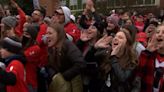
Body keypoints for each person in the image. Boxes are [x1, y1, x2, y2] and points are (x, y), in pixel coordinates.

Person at [45, 23, 86, 92]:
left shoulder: (67, 45)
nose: (47, 36)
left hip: (71, 86)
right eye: (46, 33)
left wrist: (64, 76)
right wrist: (54, 76)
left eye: (50, 33)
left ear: (59, 34)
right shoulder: (51, 48)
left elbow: (80, 64)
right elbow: (49, 65)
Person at [136, 24, 164, 92]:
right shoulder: (147, 54)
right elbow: (138, 75)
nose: (159, 34)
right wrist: (147, 52)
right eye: (157, 32)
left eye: (163, 32)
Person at [22, 24, 40, 92]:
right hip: (22, 81)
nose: (24, 36)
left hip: (30, 83)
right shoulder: (23, 46)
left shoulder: (36, 48)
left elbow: (22, 57)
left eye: (27, 34)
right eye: (23, 33)